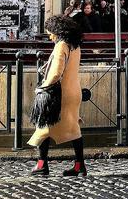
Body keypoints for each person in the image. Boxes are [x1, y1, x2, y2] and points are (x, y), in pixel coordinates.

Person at [29, 13, 87, 177]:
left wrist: (43, 87)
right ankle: (79, 165)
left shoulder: (61, 45)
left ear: (57, 30)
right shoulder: (75, 45)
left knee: (43, 126)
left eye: (49, 32)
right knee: (74, 129)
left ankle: (41, 164)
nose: (49, 35)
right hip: (73, 92)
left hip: (59, 94)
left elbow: (55, 74)